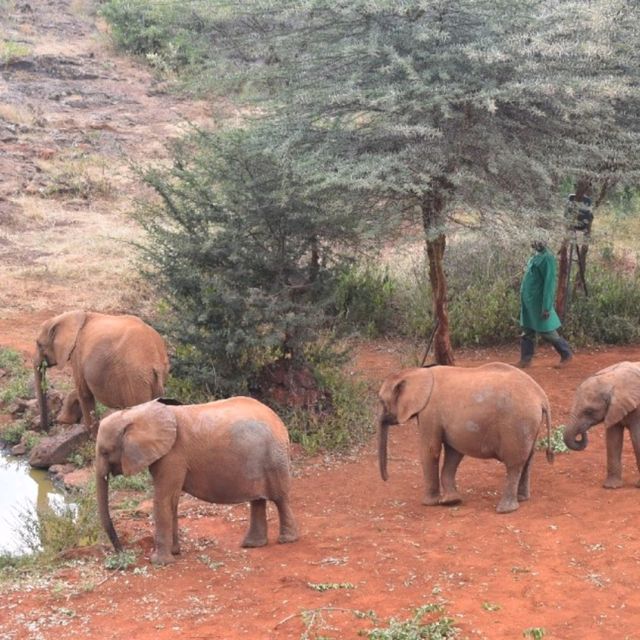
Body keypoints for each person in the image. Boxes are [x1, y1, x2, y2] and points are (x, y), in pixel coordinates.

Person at [516, 239, 573, 369]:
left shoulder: (548, 258)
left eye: (538, 241)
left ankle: (566, 354)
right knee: (527, 329)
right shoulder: (536, 256)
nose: (534, 243)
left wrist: (546, 306)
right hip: (528, 302)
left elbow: (549, 283)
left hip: (538, 302)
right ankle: (525, 359)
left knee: (547, 330)